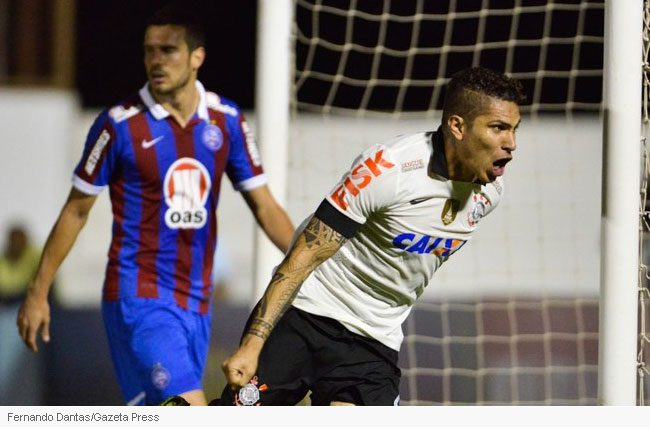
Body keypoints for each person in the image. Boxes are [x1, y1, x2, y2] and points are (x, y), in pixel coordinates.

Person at [17, 3, 294, 406]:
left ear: (197, 57)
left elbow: (265, 207)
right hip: (139, 295)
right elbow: (77, 209)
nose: (156, 60)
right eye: (150, 50)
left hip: (197, 301)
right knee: (189, 407)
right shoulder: (119, 124)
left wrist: (310, 270)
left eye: (169, 50)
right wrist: (38, 291)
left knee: (155, 411)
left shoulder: (226, 120)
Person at [219, 67, 525, 406]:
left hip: (373, 338)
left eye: (514, 130)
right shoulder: (389, 168)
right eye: (498, 128)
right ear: (457, 126)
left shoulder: (490, 193)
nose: (511, 143)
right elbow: (303, 256)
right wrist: (252, 345)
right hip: (308, 312)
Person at [0, 225, 41, 404]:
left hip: (32, 317)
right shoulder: (5, 259)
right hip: (10, 315)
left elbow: (39, 287)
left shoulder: (35, 256)